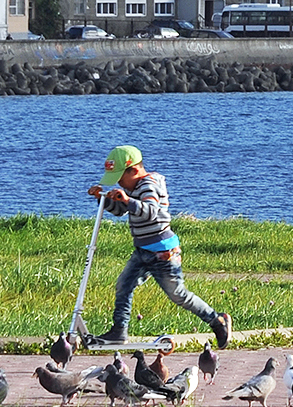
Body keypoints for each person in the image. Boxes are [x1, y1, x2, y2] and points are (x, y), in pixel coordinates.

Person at [86, 145, 232, 349]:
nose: (119, 182)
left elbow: (150, 211)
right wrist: (103, 199)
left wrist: (128, 200)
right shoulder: (133, 187)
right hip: (142, 251)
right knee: (123, 285)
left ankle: (217, 320)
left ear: (134, 171)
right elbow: (122, 211)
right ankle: (119, 331)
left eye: (120, 177)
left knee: (178, 294)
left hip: (163, 252)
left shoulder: (148, 185)